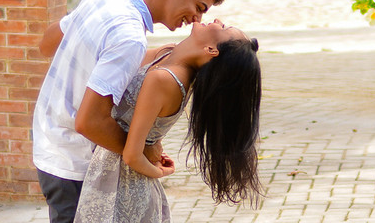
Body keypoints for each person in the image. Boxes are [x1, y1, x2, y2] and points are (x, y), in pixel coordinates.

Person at [34, 0, 226, 223]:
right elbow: (88, 122)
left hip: (48, 143)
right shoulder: (130, 38)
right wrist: (143, 151)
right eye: (199, 7)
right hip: (74, 163)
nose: (197, 20)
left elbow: (46, 44)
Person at [74, 19, 264, 222]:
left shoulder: (165, 80)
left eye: (224, 28)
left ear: (211, 49)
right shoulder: (168, 54)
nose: (217, 20)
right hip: (109, 175)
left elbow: (132, 155)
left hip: (123, 188)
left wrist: (158, 172)